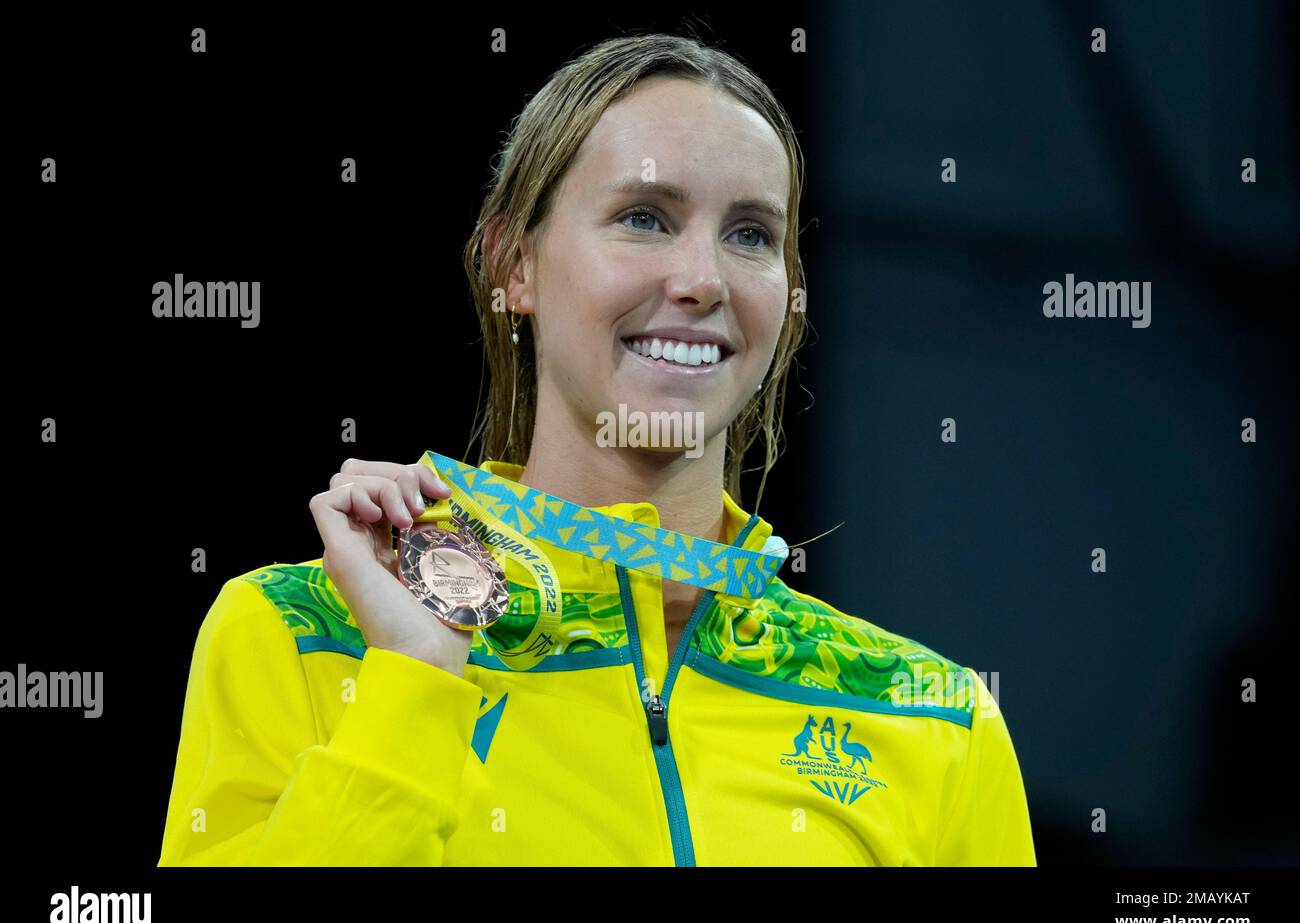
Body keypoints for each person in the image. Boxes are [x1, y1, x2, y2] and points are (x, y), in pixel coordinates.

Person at [158, 32, 1036, 866]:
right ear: (516, 264)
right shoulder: (301, 636)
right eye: (646, 218)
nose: (701, 280)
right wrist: (413, 685)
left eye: (751, 235)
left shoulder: (932, 715)